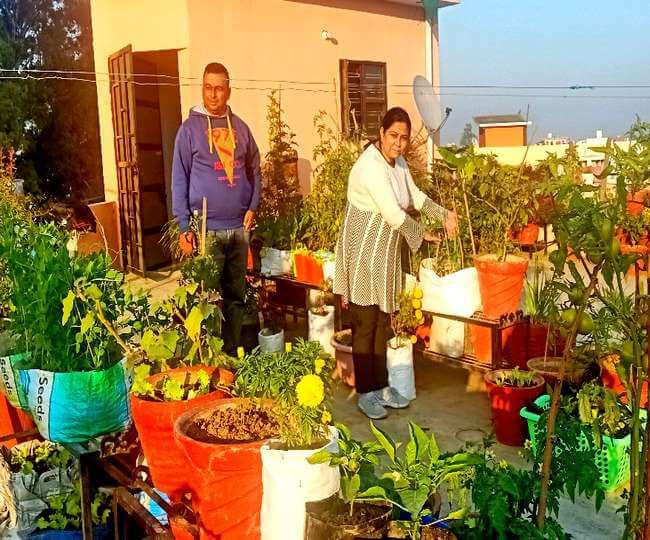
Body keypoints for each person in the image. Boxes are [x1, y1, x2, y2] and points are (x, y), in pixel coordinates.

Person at [333, 107, 458, 420]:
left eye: (403, 138)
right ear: (381, 133)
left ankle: (380, 386)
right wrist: (423, 233)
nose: (399, 143)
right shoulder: (370, 167)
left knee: (382, 323)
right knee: (365, 324)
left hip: (384, 254)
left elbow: (414, 196)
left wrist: (445, 215)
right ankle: (366, 393)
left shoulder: (398, 163)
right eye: (393, 136)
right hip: (363, 252)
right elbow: (392, 213)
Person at [172, 62, 261, 355]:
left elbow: (255, 169)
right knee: (207, 299)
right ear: (202, 89)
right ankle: (209, 359)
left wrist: (253, 206)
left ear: (228, 91)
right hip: (206, 230)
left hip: (238, 228)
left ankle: (232, 355)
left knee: (236, 296)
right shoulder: (189, 131)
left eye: (219, 88)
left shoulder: (241, 129)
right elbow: (179, 179)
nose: (213, 94)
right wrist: (184, 227)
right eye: (208, 88)